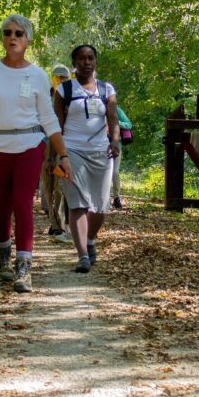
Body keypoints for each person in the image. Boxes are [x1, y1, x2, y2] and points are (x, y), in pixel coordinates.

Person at [0, 14, 70, 292]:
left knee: (22, 203)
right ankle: (2, 256)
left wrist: (63, 153)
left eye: (19, 33)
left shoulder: (37, 75)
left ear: (28, 40)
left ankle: (24, 267)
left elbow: (49, 118)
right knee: (1, 207)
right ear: (2, 38)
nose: (13, 37)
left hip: (30, 145)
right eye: (8, 33)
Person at [54, 44, 120, 273]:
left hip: (101, 152)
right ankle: (82, 254)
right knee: (78, 203)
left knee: (100, 207)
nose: (86, 62)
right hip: (72, 151)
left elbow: (113, 118)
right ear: (74, 62)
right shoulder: (64, 90)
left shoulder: (106, 89)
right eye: (81, 58)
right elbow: (56, 125)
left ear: (95, 61)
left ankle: (90, 239)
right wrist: (57, 154)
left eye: (90, 58)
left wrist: (114, 140)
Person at [40, 64, 71, 238]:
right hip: (45, 145)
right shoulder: (46, 95)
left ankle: (60, 224)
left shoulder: (70, 95)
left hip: (63, 145)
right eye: (57, 77)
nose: (60, 80)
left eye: (63, 77)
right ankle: (54, 222)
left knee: (60, 185)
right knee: (48, 185)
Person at [110, 105, 133, 210]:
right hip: (99, 144)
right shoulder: (95, 107)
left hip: (116, 144)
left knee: (115, 172)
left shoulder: (117, 110)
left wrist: (117, 122)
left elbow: (129, 124)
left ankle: (116, 198)